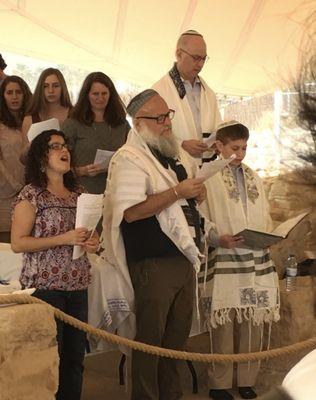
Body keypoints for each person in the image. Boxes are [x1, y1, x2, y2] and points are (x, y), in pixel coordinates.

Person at [101, 89, 241, 400]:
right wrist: (178, 193)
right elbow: (132, 211)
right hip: (153, 262)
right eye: (160, 117)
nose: (167, 123)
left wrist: (195, 194)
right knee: (150, 343)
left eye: (169, 115)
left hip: (182, 258)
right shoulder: (130, 158)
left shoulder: (170, 155)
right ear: (139, 122)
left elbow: (180, 198)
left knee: (175, 343)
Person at [11, 129, 99, 400]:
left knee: (75, 358)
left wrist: (94, 241)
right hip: (44, 289)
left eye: (66, 146)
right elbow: (18, 243)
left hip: (77, 285)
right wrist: (64, 238)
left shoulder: (78, 193)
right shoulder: (32, 194)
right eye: (55, 146)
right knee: (48, 359)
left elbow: (89, 233)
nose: (65, 151)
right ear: (41, 157)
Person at [199, 121, 280, 400]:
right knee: (224, 324)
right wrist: (215, 238)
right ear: (219, 146)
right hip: (224, 257)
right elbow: (199, 218)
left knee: (253, 322)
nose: (240, 154)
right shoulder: (206, 176)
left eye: (244, 148)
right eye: (234, 148)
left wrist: (269, 236)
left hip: (255, 259)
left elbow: (265, 214)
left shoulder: (254, 176)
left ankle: (247, 379)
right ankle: (219, 383)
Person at [152, 30, 222, 161]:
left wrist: (219, 143)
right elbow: (151, 135)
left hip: (207, 167)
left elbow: (218, 128)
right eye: (196, 58)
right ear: (179, 54)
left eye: (204, 58)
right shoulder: (158, 92)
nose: (200, 64)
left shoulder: (209, 93)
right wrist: (181, 145)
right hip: (175, 168)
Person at [62, 71, 130, 194]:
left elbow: (132, 154)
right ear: (86, 95)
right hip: (82, 193)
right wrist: (82, 171)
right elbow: (59, 162)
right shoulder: (73, 123)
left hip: (117, 191)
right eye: (95, 94)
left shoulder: (122, 124)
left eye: (104, 93)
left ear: (111, 94)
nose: (100, 98)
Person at [0, 75, 32, 242]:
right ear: (2, 96)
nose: (14, 97)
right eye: (9, 92)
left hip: (31, 195)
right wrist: (16, 186)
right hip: (5, 196)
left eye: (18, 92)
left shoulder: (33, 121)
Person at [21, 68, 72, 147]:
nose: (51, 90)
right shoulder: (30, 119)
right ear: (40, 89)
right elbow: (23, 157)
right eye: (45, 86)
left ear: (63, 88)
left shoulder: (74, 114)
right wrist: (32, 145)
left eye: (55, 86)